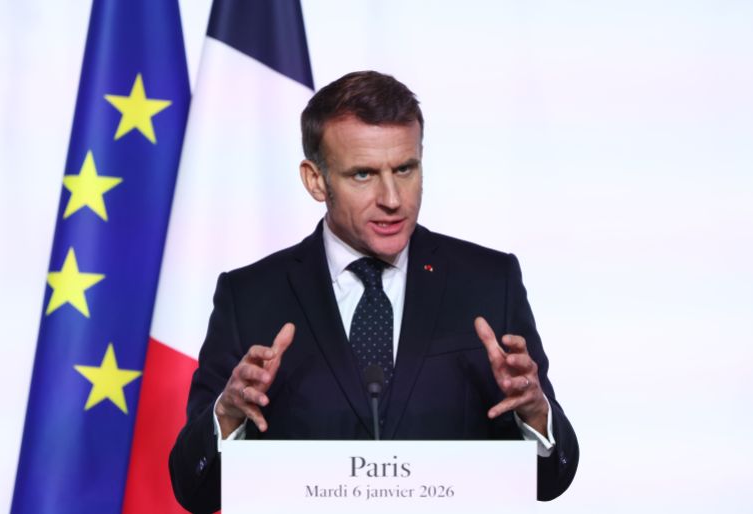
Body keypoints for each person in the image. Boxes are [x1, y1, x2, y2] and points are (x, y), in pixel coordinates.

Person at [169, 71, 579, 513]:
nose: (392, 198)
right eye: (363, 174)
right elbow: (196, 490)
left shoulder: (488, 281)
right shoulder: (249, 296)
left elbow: (549, 479)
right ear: (315, 181)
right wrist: (227, 414)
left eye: (405, 169)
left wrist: (535, 416)